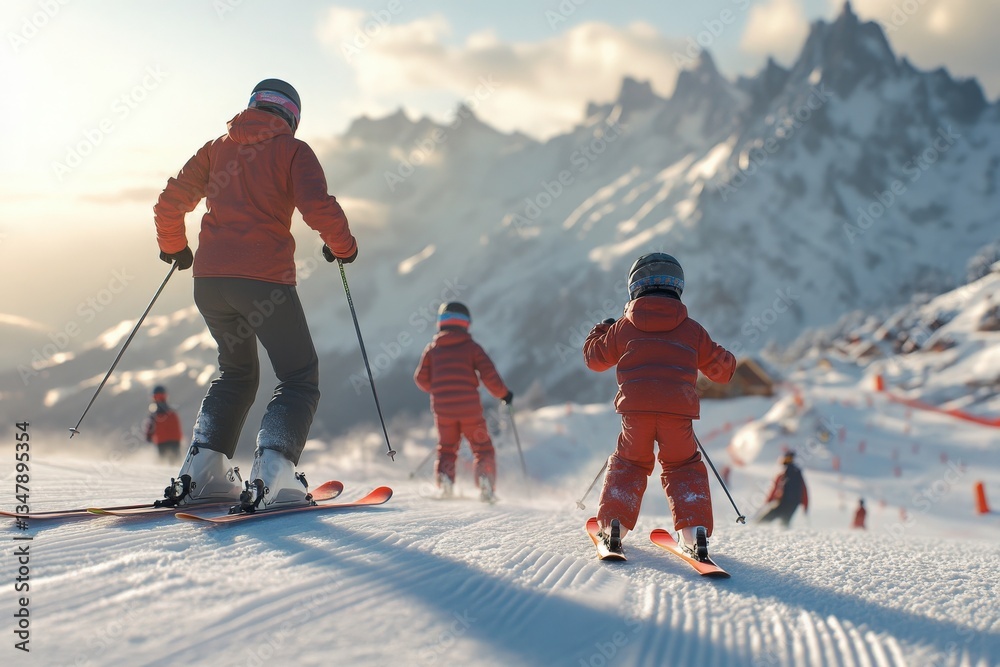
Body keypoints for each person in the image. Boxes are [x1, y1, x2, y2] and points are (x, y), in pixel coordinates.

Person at [152, 78, 358, 511]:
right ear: (292, 117)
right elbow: (317, 207)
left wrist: (174, 246)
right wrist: (344, 248)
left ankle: (203, 467)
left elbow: (171, 202)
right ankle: (275, 470)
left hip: (209, 283)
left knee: (236, 373)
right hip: (264, 281)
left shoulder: (216, 149)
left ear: (253, 107)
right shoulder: (293, 151)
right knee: (299, 376)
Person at [583, 253, 736, 559]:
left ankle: (614, 526)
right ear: (678, 288)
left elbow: (594, 359)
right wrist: (724, 357)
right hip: (677, 414)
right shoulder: (693, 330)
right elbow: (723, 371)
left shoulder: (622, 328)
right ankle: (695, 534)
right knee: (682, 466)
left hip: (635, 413)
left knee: (630, 463)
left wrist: (601, 330)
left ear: (634, 288)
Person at [414, 302, 513, 502]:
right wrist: (504, 395)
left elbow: (421, 379)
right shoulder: (472, 348)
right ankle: (485, 483)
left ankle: (445, 483)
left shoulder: (432, 350)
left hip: (443, 412)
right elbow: (489, 376)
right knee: (482, 447)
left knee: (447, 448)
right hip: (470, 411)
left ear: (440, 324)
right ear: (466, 324)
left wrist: (438, 389)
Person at [758, 451, 809, 527]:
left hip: (782, 502)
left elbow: (775, 488)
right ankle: (785, 537)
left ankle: (754, 529)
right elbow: (804, 490)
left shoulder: (783, 472)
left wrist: (768, 500)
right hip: (794, 504)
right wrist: (805, 505)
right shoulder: (797, 472)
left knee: (763, 521)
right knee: (784, 523)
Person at [143, 385, 183, 464]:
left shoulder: (154, 414)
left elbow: (150, 427)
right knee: (176, 462)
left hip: (161, 441)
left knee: (163, 462)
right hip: (175, 440)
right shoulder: (172, 412)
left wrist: (148, 437)